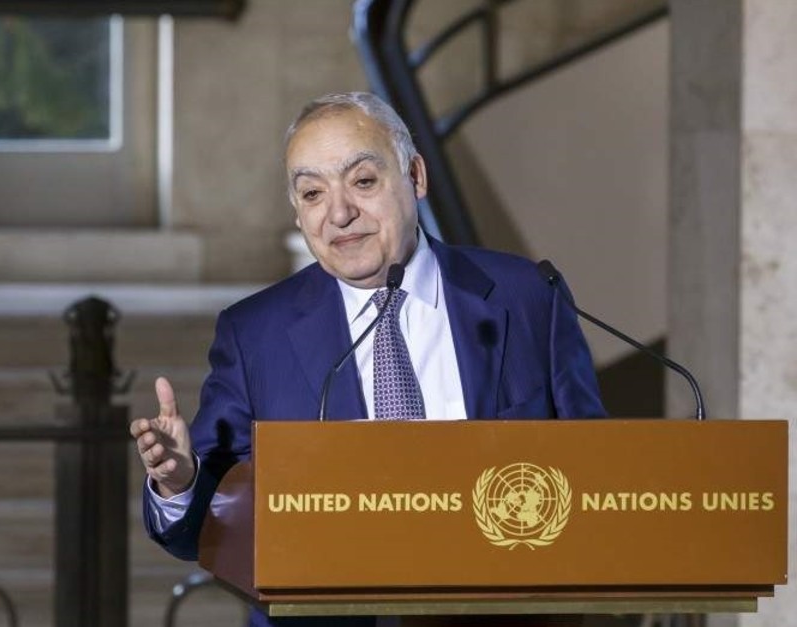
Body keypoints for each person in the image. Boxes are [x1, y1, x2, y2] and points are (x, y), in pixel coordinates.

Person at [130, 92, 606, 626]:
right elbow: (206, 529)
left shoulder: (527, 295)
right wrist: (181, 483)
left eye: (362, 181)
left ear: (416, 176)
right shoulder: (255, 334)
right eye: (313, 193)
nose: (339, 213)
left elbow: (595, 476)